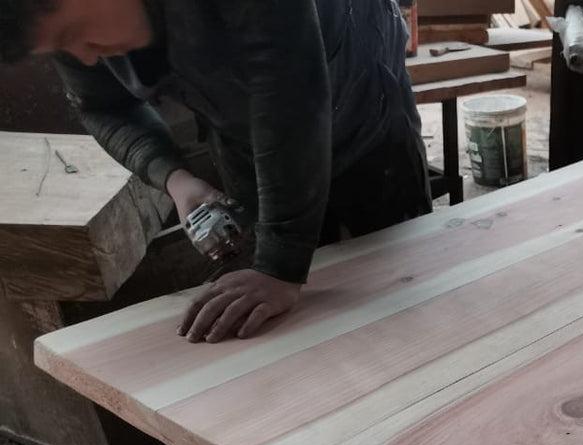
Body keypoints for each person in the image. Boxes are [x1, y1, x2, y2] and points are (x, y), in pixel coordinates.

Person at [1, 0, 432, 343]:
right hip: (243, 124)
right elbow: (102, 106)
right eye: (60, 47)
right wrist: (176, 180)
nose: (82, 56)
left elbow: (287, 86)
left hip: (359, 95)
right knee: (283, 319)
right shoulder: (64, 20)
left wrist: (280, 264)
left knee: (400, 286)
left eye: (72, 32)